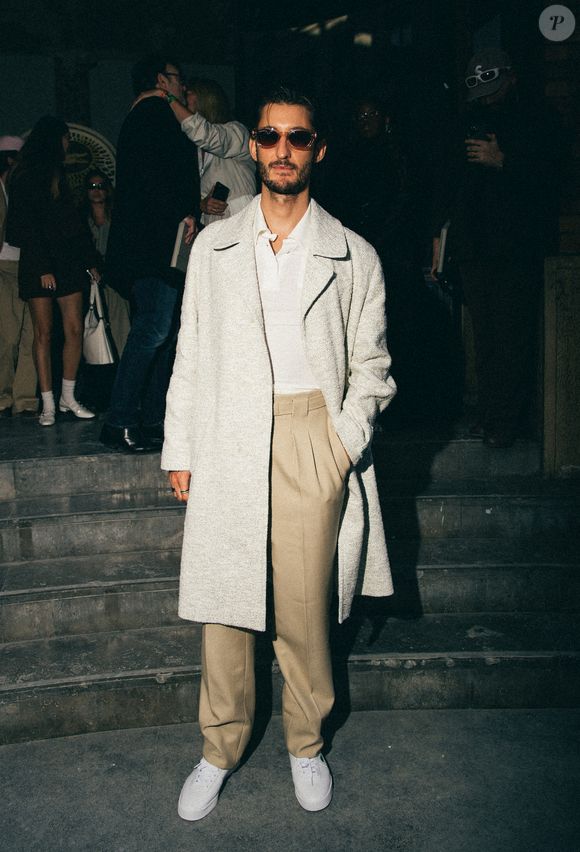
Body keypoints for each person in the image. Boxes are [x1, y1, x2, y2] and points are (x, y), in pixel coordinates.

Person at [161, 86, 396, 821]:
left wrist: (342, 442)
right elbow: (190, 351)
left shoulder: (354, 254)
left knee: (304, 609)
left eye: (299, 138)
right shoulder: (213, 245)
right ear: (253, 147)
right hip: (229, 429)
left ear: (318, 149)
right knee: (225, 607)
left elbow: (373, 367)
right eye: (269, 136)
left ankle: (305, 742)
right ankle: (218, 747)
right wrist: (181, 445)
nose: (282, 150)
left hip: (309, 435)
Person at [431, 49, 562, 447]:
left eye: (492, 86)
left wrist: (504, 159)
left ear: (511, 79)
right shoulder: (469, 122)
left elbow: (551, 178)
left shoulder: (537, 120)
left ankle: (507, 421)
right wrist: (444, 238)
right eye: (480, 89)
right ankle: (491, 417)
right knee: (485, 339)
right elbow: (456, 187)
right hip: (475, 247)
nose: (487, 97)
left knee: (512, 339)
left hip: (514, 249)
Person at [101, 54, 201, 453]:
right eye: (178, 78)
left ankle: (152, 422)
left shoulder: (143, 115)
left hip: (150, 246)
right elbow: (158, 176)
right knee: (155, 330)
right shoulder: (155, 113)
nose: (182, 86)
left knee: (162, 332)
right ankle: (120, 420)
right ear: (162, 80)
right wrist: (185, 213)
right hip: (154, 246)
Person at [6, 117, 99, 427]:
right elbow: (24, 226)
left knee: (74, 330)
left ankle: (67, 397)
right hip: (39, 263)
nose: (68, 143)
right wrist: (44, 266)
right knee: (43, 333)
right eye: (65, 137)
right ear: (53, 138)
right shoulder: (26, 174)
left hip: (68, 261)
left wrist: (90, 261)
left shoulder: (60, 172)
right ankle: (47, 402)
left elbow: (72, 223)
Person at [135, 76, 256, 226]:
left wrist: (166, 96)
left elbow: (207, 135)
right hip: (214, 229)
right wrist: (203, 204)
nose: (184, 95)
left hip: (241, 224)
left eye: (189, 92)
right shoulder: (194, 148)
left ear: (205, 98)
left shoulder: (237, 131)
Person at [0, 135, 38, 418]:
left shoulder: (22, 187)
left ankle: (24, 399)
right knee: (8, 337)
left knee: (31, 336)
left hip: (28, 266)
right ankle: (3, 396)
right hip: (4, 268)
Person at [81, 169, 130, 357]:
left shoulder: (117, 216)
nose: (96, 190)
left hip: (115, 281)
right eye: (92, 187)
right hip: (89, 282)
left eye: (100, 186)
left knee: (121, 328)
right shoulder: (80, 218)